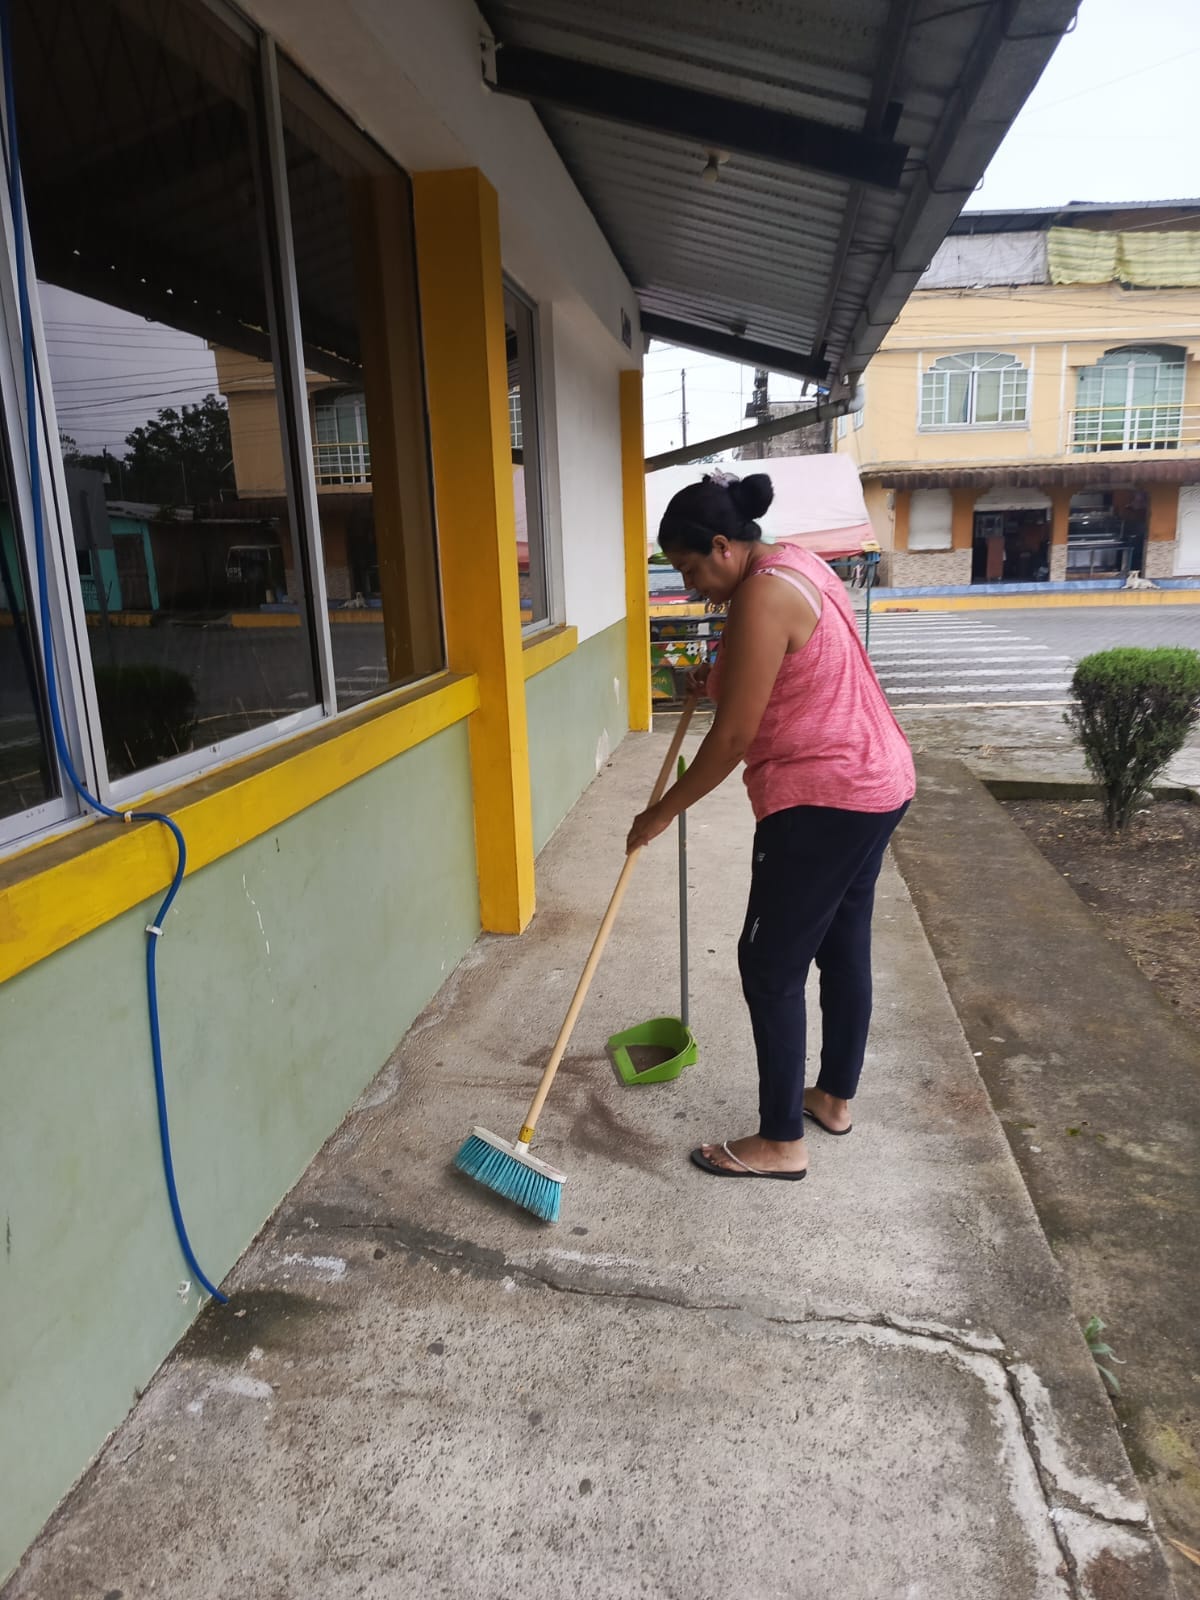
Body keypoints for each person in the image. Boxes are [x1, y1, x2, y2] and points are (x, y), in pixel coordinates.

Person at [626, 471, 915, 1182]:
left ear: (723, 546)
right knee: (842, 945)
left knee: (770, 967)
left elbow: (731, 739)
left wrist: (660, 812)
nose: (690, 586)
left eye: (692, 568)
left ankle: (782, 1142)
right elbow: (792, 661)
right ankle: (833, 1099)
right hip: (878, 780)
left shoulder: (758, 595)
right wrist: (720, 677)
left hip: (823, 800)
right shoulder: (795, 561)